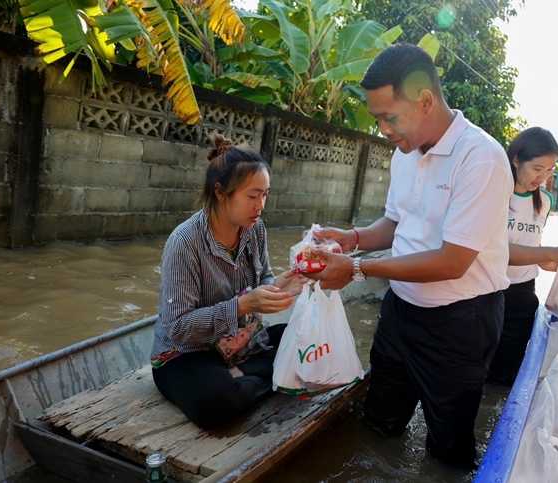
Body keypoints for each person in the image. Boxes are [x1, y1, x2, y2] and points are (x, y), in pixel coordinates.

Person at [304, 43, 513, 469]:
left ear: (425, 101)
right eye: (377, 117)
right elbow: (397, 224)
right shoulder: (405, 151)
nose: (382, 128)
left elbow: (452, 261)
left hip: (460, 322)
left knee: (448, 448)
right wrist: (353, 238)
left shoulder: (480, 158)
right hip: (400, 311)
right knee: (380, 420)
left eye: (388, 117)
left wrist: (357, 268)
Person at [149, 137, 307, 429]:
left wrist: (279, 286)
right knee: (215, 400)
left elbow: (265, 278)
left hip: (243, 346)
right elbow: (177, 328)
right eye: (252, 196)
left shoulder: (255, 229)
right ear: (221, 192)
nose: (260, 206)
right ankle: (257, 376)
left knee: (309, 340)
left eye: (265, 195)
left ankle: (242, 373)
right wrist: (243, 304)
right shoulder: (184, 242)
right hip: (188, 354)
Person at [487, 127, 558, 385]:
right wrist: (557, 253)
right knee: (474, 365)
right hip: (486, 290)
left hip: (523, 293)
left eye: (550, 170)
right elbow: (495, 252)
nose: (543, 176)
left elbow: (534, 252)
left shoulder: (544, 201)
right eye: (537, 168)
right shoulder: (493, 192)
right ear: (515, 160)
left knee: (506, 373)